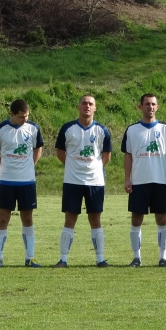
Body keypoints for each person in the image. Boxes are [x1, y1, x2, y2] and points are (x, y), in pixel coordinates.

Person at [54, 95, 112, 267]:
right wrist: (74, 166)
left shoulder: (102, 130)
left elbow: (106, 156)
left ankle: (100, 259)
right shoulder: (67, 128)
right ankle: (63, 259)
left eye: (91, 104)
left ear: (95, 108)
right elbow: (60, 153)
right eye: (84, 103)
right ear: (78, 106)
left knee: (95, 219)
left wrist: (92, 168)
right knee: (70, 219)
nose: (87, 106)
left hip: (95, 182)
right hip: (72, 181)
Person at [121, 93, 166, 267]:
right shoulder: (132, 130)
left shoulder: (165, 129)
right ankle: (136, 258)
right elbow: (128, 155)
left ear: (157, 107)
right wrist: (127, 179)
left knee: (161, 218)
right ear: (140, 107)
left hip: (159, 181)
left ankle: (163, 257)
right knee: (136, 219)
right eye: (147, 104)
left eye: (153, 104)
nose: (150, 107)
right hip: (139, 181)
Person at [0, 99, 44, 267]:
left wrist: (30, 166)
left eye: (26, 116)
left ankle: (30, 257)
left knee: (27, 218)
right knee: (3, 218)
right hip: (6, 181)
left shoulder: (33, 128)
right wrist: (4, 167)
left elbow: (37, 149)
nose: (24, 120)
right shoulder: (0, 129)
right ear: (12, 114)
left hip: (27, 181)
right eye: (21, 117)